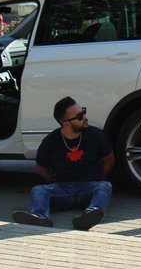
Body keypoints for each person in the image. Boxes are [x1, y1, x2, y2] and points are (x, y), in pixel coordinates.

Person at [12, 96, 115, 231]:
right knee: (38, 190)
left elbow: (109, 160)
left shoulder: (96, 135)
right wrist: (54, 182)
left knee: (105, 186)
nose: (85, 117)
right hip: (62, 190)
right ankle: (40, 217)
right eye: (79, 116)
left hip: (88, 188)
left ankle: (92, 213)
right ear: (66, 123)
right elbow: (41, 168)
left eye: (83, 112)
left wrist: (98, 178)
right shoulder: (50, 141)